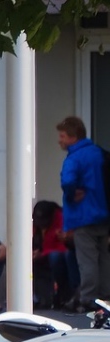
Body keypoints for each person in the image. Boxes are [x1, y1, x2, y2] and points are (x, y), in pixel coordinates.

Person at [57, 116, 110, 312]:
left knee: (87, 260)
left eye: (62, 136)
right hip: (103, 213)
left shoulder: (74, 157)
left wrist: (71, 194)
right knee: (103, 257)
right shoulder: (99, 153)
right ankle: (105, 296)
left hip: (83, 216)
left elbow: (68, 181)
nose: (59, 140)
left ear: (73, 137)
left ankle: (88, 298)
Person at [33, 200, 74, 309]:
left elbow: (62, 248)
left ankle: (62, 294)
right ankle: (36, 297)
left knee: (55, 257)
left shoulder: (59, 219)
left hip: (57, 256)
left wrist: (42, 254)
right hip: (41, 256)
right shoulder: (35, 225)